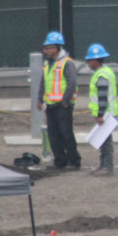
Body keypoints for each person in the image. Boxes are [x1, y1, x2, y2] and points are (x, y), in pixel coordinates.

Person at [36, 31, 81, 170]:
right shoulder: (47, 64)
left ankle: (74, 161)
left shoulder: (67, 63)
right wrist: (40, 99)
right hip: (51, 104)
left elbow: (72, 82)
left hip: (62, 105)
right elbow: (43, 82)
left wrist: (65, 101)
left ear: (56, 48)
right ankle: (60, 161)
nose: (46, 50)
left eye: (48, 48)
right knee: (53, 135)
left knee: (66, 134)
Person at [85, 43, 118, 176]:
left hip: (106, 114)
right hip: (108, 113)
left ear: (95, 60)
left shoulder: (101, 76)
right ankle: (103, 165)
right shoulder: (105, 72)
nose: (88, 63)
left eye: (89, 60)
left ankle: (107, 167)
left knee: (106, 142)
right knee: (103, 141)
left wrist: (100, 115)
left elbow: (102, 98)